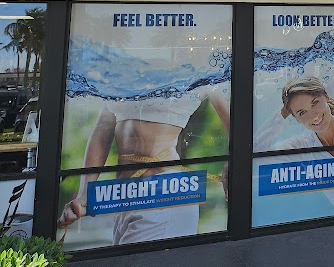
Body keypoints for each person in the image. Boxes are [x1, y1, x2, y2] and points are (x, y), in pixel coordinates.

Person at [57, 86, 230, 245]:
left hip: (165, 192)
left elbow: (236, 120)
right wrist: (84, 193)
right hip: (127, 195)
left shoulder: (197, 68)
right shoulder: (122, 72)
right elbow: (102, 129)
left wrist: (233, 160)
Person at [253, 76, 334, 214]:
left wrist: (323, 89)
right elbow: (257, 151)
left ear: (326, 96)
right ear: (296, 119)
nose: (314, 116)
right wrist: (283, 113)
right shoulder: (304, 147)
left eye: (315, 103)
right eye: (302, 112)